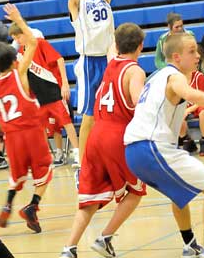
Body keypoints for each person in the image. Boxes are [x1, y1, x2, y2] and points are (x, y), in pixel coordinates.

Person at [125, 33, 204, 257]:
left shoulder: (155, 77)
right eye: (191, 52)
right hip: (150, 146)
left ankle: (189, 243)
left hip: (134, 151)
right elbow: (192, 94)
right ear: (176, 57)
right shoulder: (175, 76)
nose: (197, 56)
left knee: (178, 193)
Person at [60, 23, 146, 258]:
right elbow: (140, 104)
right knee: (137, 191)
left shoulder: (111, 63)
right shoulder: (135, 71)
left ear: (117, 45)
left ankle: (69, 249)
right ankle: (105, 238)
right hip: (117, 136)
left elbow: (111, 47)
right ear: (141, 46)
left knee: (89, 199)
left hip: (96, 136)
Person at [0, 3, 53, 233]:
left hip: (12, 138)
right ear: (12, 60)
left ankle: (9, 202)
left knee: (17, 175)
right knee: (45, 171)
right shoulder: (20, 73)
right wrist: (18, 19)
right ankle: (33, 206)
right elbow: (33, 42)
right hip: (31, 131)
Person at [67, 0, 115, 164]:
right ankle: (83, 162)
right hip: (87, 63)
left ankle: (102, 155)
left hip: (105, 61)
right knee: (88, 115)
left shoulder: (103, 1)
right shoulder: (77, 5)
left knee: (104, 113)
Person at [8, 22, 79, 167]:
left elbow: (59, 59)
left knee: (66, 123)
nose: (17, 40)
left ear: (24, 33)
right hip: (38, 96)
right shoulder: (21, 53)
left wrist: (65, 83)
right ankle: (51, 155)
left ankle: (78, 153)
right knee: (45, 127)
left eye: (18, 37)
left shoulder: (40, 43)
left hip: (54, 91)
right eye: (14, 38)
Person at [179, 68, 204, 156]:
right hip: (186, 106)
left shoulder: (199, 76)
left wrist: (190, 109)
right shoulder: (177, 79)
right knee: (178, 115)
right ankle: (188, 141)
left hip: (202, 103)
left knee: (203, 112)